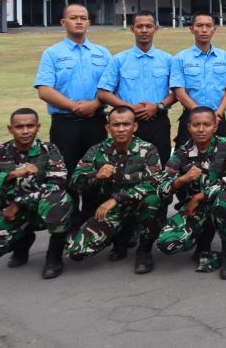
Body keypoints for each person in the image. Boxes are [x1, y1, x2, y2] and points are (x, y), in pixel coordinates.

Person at [0, 108, 72, 279]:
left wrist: (17, 204)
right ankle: (22, 241)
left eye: (30, 126)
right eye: (19, 127)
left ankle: (54, 257)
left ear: (38, 127)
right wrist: (13, 174)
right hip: (12, 215)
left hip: (42, 210)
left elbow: (57, 184)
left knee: (60, 201)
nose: (25, 131)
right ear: (10, 129)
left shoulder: (50, 150)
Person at [33, 3, 111, 224]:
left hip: (96, 121)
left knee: (97, 172)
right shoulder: (52, 54)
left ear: (89, 22)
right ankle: (69, 222)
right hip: (65, 124)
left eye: (83, 17)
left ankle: (92, 221)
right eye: (73, 17)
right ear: (63, 23)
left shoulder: (102, 53)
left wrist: (94, 105)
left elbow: (110, 86)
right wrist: (74, 106)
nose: (79, 21)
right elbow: (44, 89)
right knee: (65, 173)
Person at [65, 107, 163, 274]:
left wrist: (117, 199)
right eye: (116, 125)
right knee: (76, 252)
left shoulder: (148, 149)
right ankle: (119, 238)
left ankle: (144, 250)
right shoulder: (96, 151)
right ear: (108, 128)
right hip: (109, 211)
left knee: (152, 199)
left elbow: (153, 183)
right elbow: (74, 182)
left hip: (135, 206)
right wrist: (96, 175)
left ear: (135, 127)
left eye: (126, 124)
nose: (121, 129)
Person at [156, 107, 226, 280]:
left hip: (221, 203)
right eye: (196, 125)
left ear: (215, 127)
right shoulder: (182, 153)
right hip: (195, 210)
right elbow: (161, 187)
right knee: (167, 243)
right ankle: (202, 245)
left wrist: (199, 196)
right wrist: (181, 180)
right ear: (188, 127)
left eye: (206, 124)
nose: (201, 129)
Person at [97, 10, 176, 164]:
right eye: (140, 26)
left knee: (161, 164)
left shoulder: (168, 60)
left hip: (158, 122)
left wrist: (158, 106)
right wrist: (129, 107)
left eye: (149, 26)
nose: (144, 30)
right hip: (128, 124)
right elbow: (103, 92)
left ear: (156, 29)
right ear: (132, 29)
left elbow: (177, 93)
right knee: (127, 166)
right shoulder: (119, 60)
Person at [169, 11, 226, 147]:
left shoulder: (224, 57)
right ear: (191, 29)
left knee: (221, 160)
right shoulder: (180, 58)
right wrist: (202, 116)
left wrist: (218, 114)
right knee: (185, 162)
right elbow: (179, 93)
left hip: (218, 117)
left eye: (208, 26)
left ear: (214, 30)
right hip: (191, 118)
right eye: (199, 25)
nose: (204, 30)